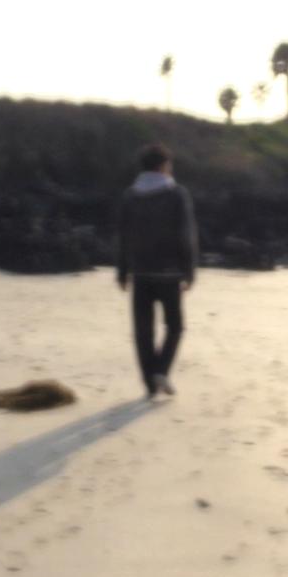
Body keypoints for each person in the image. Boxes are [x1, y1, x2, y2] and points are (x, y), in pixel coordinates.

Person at [116, 143, 199, 399]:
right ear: (164, 166)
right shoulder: (176, 194)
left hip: (140, 272)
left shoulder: (130, 196)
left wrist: (122, 270)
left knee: (143, 330)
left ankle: (150, 384)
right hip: (170, 273)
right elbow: (186, 234)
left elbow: (123, 236)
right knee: (175, 326)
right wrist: (189, 270)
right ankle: (161, 370)